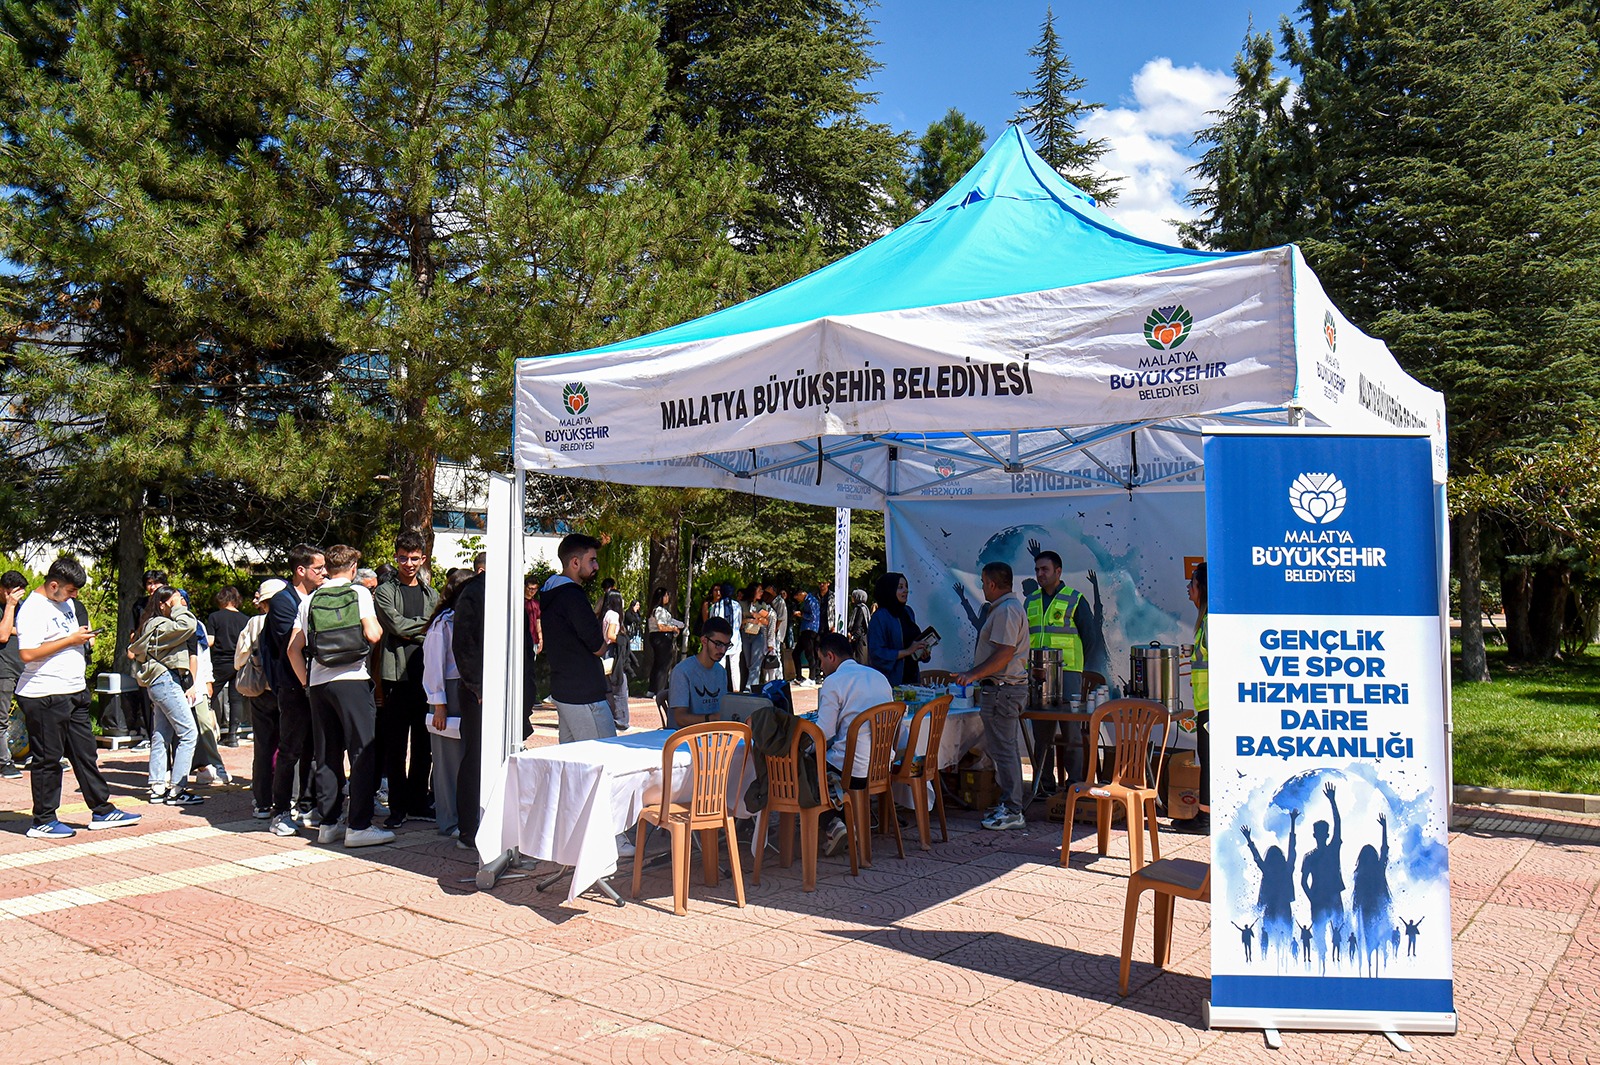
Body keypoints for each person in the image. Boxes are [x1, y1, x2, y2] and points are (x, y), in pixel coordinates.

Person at [14, 557, 140, 837]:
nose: (75, 596)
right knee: (48, 758)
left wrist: (79, 638)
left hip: (73, 691)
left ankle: (103, 810)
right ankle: (43, 819)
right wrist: (70, 640)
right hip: (44, 693)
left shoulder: (66, 603)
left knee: (85, 754)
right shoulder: (32, 610)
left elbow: (66, 635)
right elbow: (28, 654)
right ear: (53, 584)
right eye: (71, 590)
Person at [287, 544, 391, 848]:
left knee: (327, 754)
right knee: (362, 751)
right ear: (353, 568)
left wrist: (307, 682)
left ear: (327, 568)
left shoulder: (310, 599)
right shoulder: (358, 593)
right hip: (352, 679)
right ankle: (358, 825)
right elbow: (373, 634)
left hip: (319, 683)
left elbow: (294, 648)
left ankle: (328, 824)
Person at [955, 562, 1031, 831]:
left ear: (991, 584)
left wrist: (973, 674)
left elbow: (1004, 654)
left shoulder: (1008, 610)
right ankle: (1009, 803)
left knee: (1005, 750)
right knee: (1001, 749)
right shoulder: (1003, 608)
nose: (982, 587)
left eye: (983, 581)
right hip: (999, 689)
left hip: (1003, 689)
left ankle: (1013, 809)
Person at [374, 530, 439, 828]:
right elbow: (396, 626)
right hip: (396, 678)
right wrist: (423, 626)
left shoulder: (431, 593)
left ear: (423, 559)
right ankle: (397, 807)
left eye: (414, 559)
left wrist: (417, 627)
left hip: (425, 679)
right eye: (403, 558)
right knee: (397, 746)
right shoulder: (385, 591)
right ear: (396, 557)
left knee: (423, 745)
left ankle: (418, 802)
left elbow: (435, 624)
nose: (408, 564)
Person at [261, 544, 326, 837]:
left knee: (314, 749)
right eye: (318, 568)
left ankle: (308, 804)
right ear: (301, 570)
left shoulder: (318, 597)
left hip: (317, 684)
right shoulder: (282, 602)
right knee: (290, 750)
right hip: (292, 686)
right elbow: (294, 643)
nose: (324, 573)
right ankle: (280, 812)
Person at [813, 631, 893, 856]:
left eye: (820, 660)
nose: (820, 667)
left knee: (804, 766)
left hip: (853, 769)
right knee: (824, 763)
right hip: (881, 765)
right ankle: (841, 821)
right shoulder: (879, 677)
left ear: (831, 657)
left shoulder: (834, 681)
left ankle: (833, 824)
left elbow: (824, 732)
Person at [130, 585, 206, 806]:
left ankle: (156, 786)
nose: (180, 604)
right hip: (165, 680)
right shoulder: (160, 624)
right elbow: (189, 625)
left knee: (161, 734)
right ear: (162, 604)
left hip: (160, 682)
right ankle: (177, 789)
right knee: (189, 733)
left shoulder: (153, 624)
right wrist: (176, 607)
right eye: (174, 601)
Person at [1025, 550, 1094, 791]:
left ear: (1058, 571)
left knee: (1071, 732)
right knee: (1042, 735)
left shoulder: (1075, 599)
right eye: (1037, 570)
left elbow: (1090, 636)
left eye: (1044, 569)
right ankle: (1044, 785)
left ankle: (1075, 783)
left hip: (1068, 674)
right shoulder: (1031, 600)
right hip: (1039, 676)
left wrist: (1078, 668)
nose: (1039, 574)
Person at [543, 534, 614, 742]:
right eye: (592, 560)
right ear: (575, 562)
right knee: (606, 756)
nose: (596, 566)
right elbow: (598, 646)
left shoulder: (550, 593)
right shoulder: (572, 596)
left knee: (572, 762)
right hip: (585, 692)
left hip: (564, 689)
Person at [422, 568, 474, 838]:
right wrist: (438, 703)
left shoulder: (467, 619)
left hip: (465, 689)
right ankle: (449, 819)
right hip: (447, 692)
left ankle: (464, 815)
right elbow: (433, 665)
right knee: (447, 761)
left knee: (464, 756)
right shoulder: (443, 623)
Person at [237, 578, 287, 820]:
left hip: (260, 691)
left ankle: (262, 801)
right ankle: (287, 799)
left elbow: (239, 659)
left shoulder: (254, 623)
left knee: (263, 746)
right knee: (288, 747)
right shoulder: (290, 617)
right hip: (287, 689)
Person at [1173, 562, 1210, 834]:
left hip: (1214, 705)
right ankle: (1204, 814)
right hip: (1206, 704)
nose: (1188, 589)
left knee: (1208, 762)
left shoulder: (1211, 622)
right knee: (1205, 760)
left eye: (1192, 584)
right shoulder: (1206, 621)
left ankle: (1206, 819)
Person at [451, 565, 486, 851]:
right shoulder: (474, 592)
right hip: (478, 692)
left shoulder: (509, 590)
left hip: (501, 691)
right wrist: (477, 685)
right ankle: (468, 829)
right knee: (474, 757)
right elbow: (462, 642)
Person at [666, 616, 732, 727]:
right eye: (718, 644)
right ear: (704, 641)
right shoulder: (682, 671)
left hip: (714, 735)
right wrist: (712, 719)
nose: (723, 650)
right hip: (685, 738)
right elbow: (680, 719)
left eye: (727, 645)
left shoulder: (721, 671)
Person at [867, 572, 929, 685]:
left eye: (906, 586)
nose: (905, 590)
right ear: (889, 589)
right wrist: (907, 651)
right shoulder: (880, 617)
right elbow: (877, 654)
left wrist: (921, 652)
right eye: (900, 587)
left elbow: (911, 642)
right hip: (889, 682)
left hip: (912, 679)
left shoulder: (908, 612)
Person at [206, 587, 249, 746]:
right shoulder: (245, 619)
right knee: (235, 699)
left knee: (208, 694)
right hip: (238, 662)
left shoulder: (214, 617)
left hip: (220, 662)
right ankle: (233, 736)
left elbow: (210, 641)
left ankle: (205, 732)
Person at [0, 570, 30, 779]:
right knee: (1, 718)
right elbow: (2, 634)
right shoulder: (8, 606)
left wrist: (15, 629)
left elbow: (32, 631)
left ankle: (37, 755)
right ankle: (4, 762)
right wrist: (10, 607)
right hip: (4, 670)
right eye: (12, 593)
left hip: (26, 668)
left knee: (36, 714)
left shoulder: (27, 607)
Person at [646, 586, 684, 713]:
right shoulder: (660, 610)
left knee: (657, 664)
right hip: (661, 638)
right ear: (662, 597)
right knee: (663, 664)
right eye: (666, 595)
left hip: (654, 637)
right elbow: (661, 626)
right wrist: (673, 629)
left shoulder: (654, 610)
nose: (668, 598)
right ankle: (660, 691)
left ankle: (652, 689)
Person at [599, 589, 631, 731]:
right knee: (619, 687)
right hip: (613, 653)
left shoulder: (604, 614)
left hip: (606, 652)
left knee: (609, 689)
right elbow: (611, 635)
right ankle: (621, 721)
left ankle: (611, 718)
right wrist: (621, 639)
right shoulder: (614, 615)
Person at [702, 583, 741, 690]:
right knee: (735, 667)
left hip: (719, 640)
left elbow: (712, 622)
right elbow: (739, 621)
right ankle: (736, 690)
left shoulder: (716, 606)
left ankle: (719, 688)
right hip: (735, 639)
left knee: (720, 665)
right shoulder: (737, 605)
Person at [738, 584, 769, 693]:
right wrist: (749, 620)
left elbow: (767, 621)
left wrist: (758, 617)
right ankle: (751, 686)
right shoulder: (742, 604)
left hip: (758, 634)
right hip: (745, 634)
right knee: (749, 663)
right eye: (759, 590)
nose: (761, 592)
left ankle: (749, 688)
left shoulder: (762, 605)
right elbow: (738, 622)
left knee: (756, 663)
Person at [794, 587, 821, 686]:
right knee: (796, 653)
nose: (798, 599)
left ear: (801, 593)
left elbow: (813, 616)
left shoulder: (811, 601)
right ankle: (799, 676)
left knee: (810, 654)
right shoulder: (808, 601)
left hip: (810, 630)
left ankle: (812, 678)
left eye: (797, 597)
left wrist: (801, 614)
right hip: (805, 629)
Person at [524, 576, 543, 710]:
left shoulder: (536, 604)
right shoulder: (520, 602)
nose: (532, 591)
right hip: (523, 639)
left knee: (531, 669)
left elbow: (538, 621)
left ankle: (532, 695)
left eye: (535, 589)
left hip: (534, 639)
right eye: (530, 589)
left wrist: (541, 638)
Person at [764, 582, 788, 682]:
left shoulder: (780, 601)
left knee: (776, 654)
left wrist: (774, 630)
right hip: (772, 632)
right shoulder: (770, 602)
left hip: (777, 633)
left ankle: (779, 678)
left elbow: (780, 618)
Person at [846, 588, 871, 664]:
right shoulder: (864, 608)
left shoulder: (860, 609)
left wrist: (853, 637)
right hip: (863, 639)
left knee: (860, 661)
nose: (852, 598)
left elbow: (858, 625)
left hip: (860, 640)